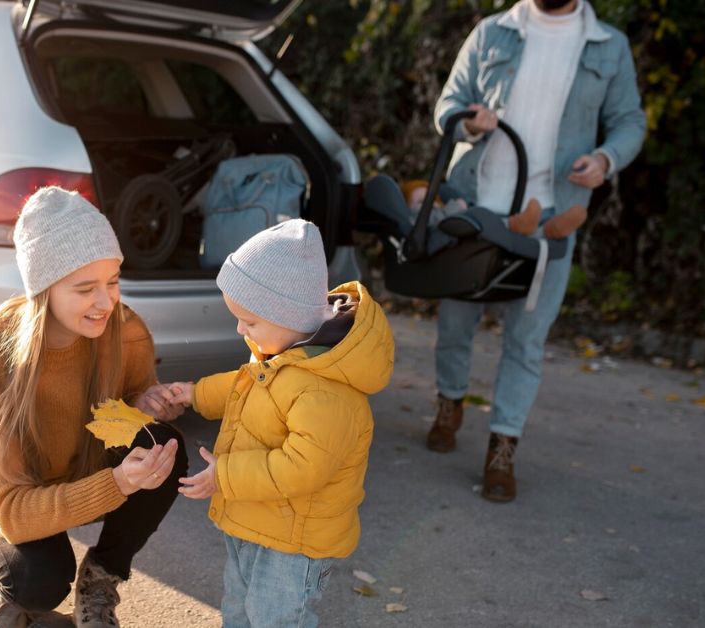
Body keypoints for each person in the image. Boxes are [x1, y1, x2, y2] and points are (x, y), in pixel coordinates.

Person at [0, 186, 189, 628]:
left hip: (79, 463)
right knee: (38, 579)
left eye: (113, 282)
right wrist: (118, 482)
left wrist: (145, 404)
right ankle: (7, 590)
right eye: (85, 289)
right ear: (43, 290)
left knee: (165, 446)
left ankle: (99, 580)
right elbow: (12, 512)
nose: (106, 303)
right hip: (0, 494)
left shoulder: (125, 329)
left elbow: (135, 396)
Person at [429, 0, 646, 501]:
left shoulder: (609, 47)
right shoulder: (492, 32)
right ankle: (449, 404)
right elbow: (447, 104)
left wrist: (605, 159)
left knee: (525, 341)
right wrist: (466, 122)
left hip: (550, 218)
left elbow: (630, 121)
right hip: (476, 209)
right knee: (454, 325)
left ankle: (502, 449)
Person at [164, 219, 394, 627]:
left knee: (276, 617)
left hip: (294, 541)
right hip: (256, 517)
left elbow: (302, 466)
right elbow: (246, 385)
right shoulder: (280, 348)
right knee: (239, 606)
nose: (240, 330)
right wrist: (195, 393)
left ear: (291, 316)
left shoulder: (325, 390)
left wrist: (227, 475)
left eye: (249, 322)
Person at [401, 179, 588, 239]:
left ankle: (550, 229)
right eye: (419, 202)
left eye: (430, 199)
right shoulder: (420, 220)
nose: (427, 205)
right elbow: (431, 222)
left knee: (504, 230)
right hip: (460, 237)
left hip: (474, 229)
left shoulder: (441, 209)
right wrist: (456, 207)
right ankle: (522, 224)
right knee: (492, 224)